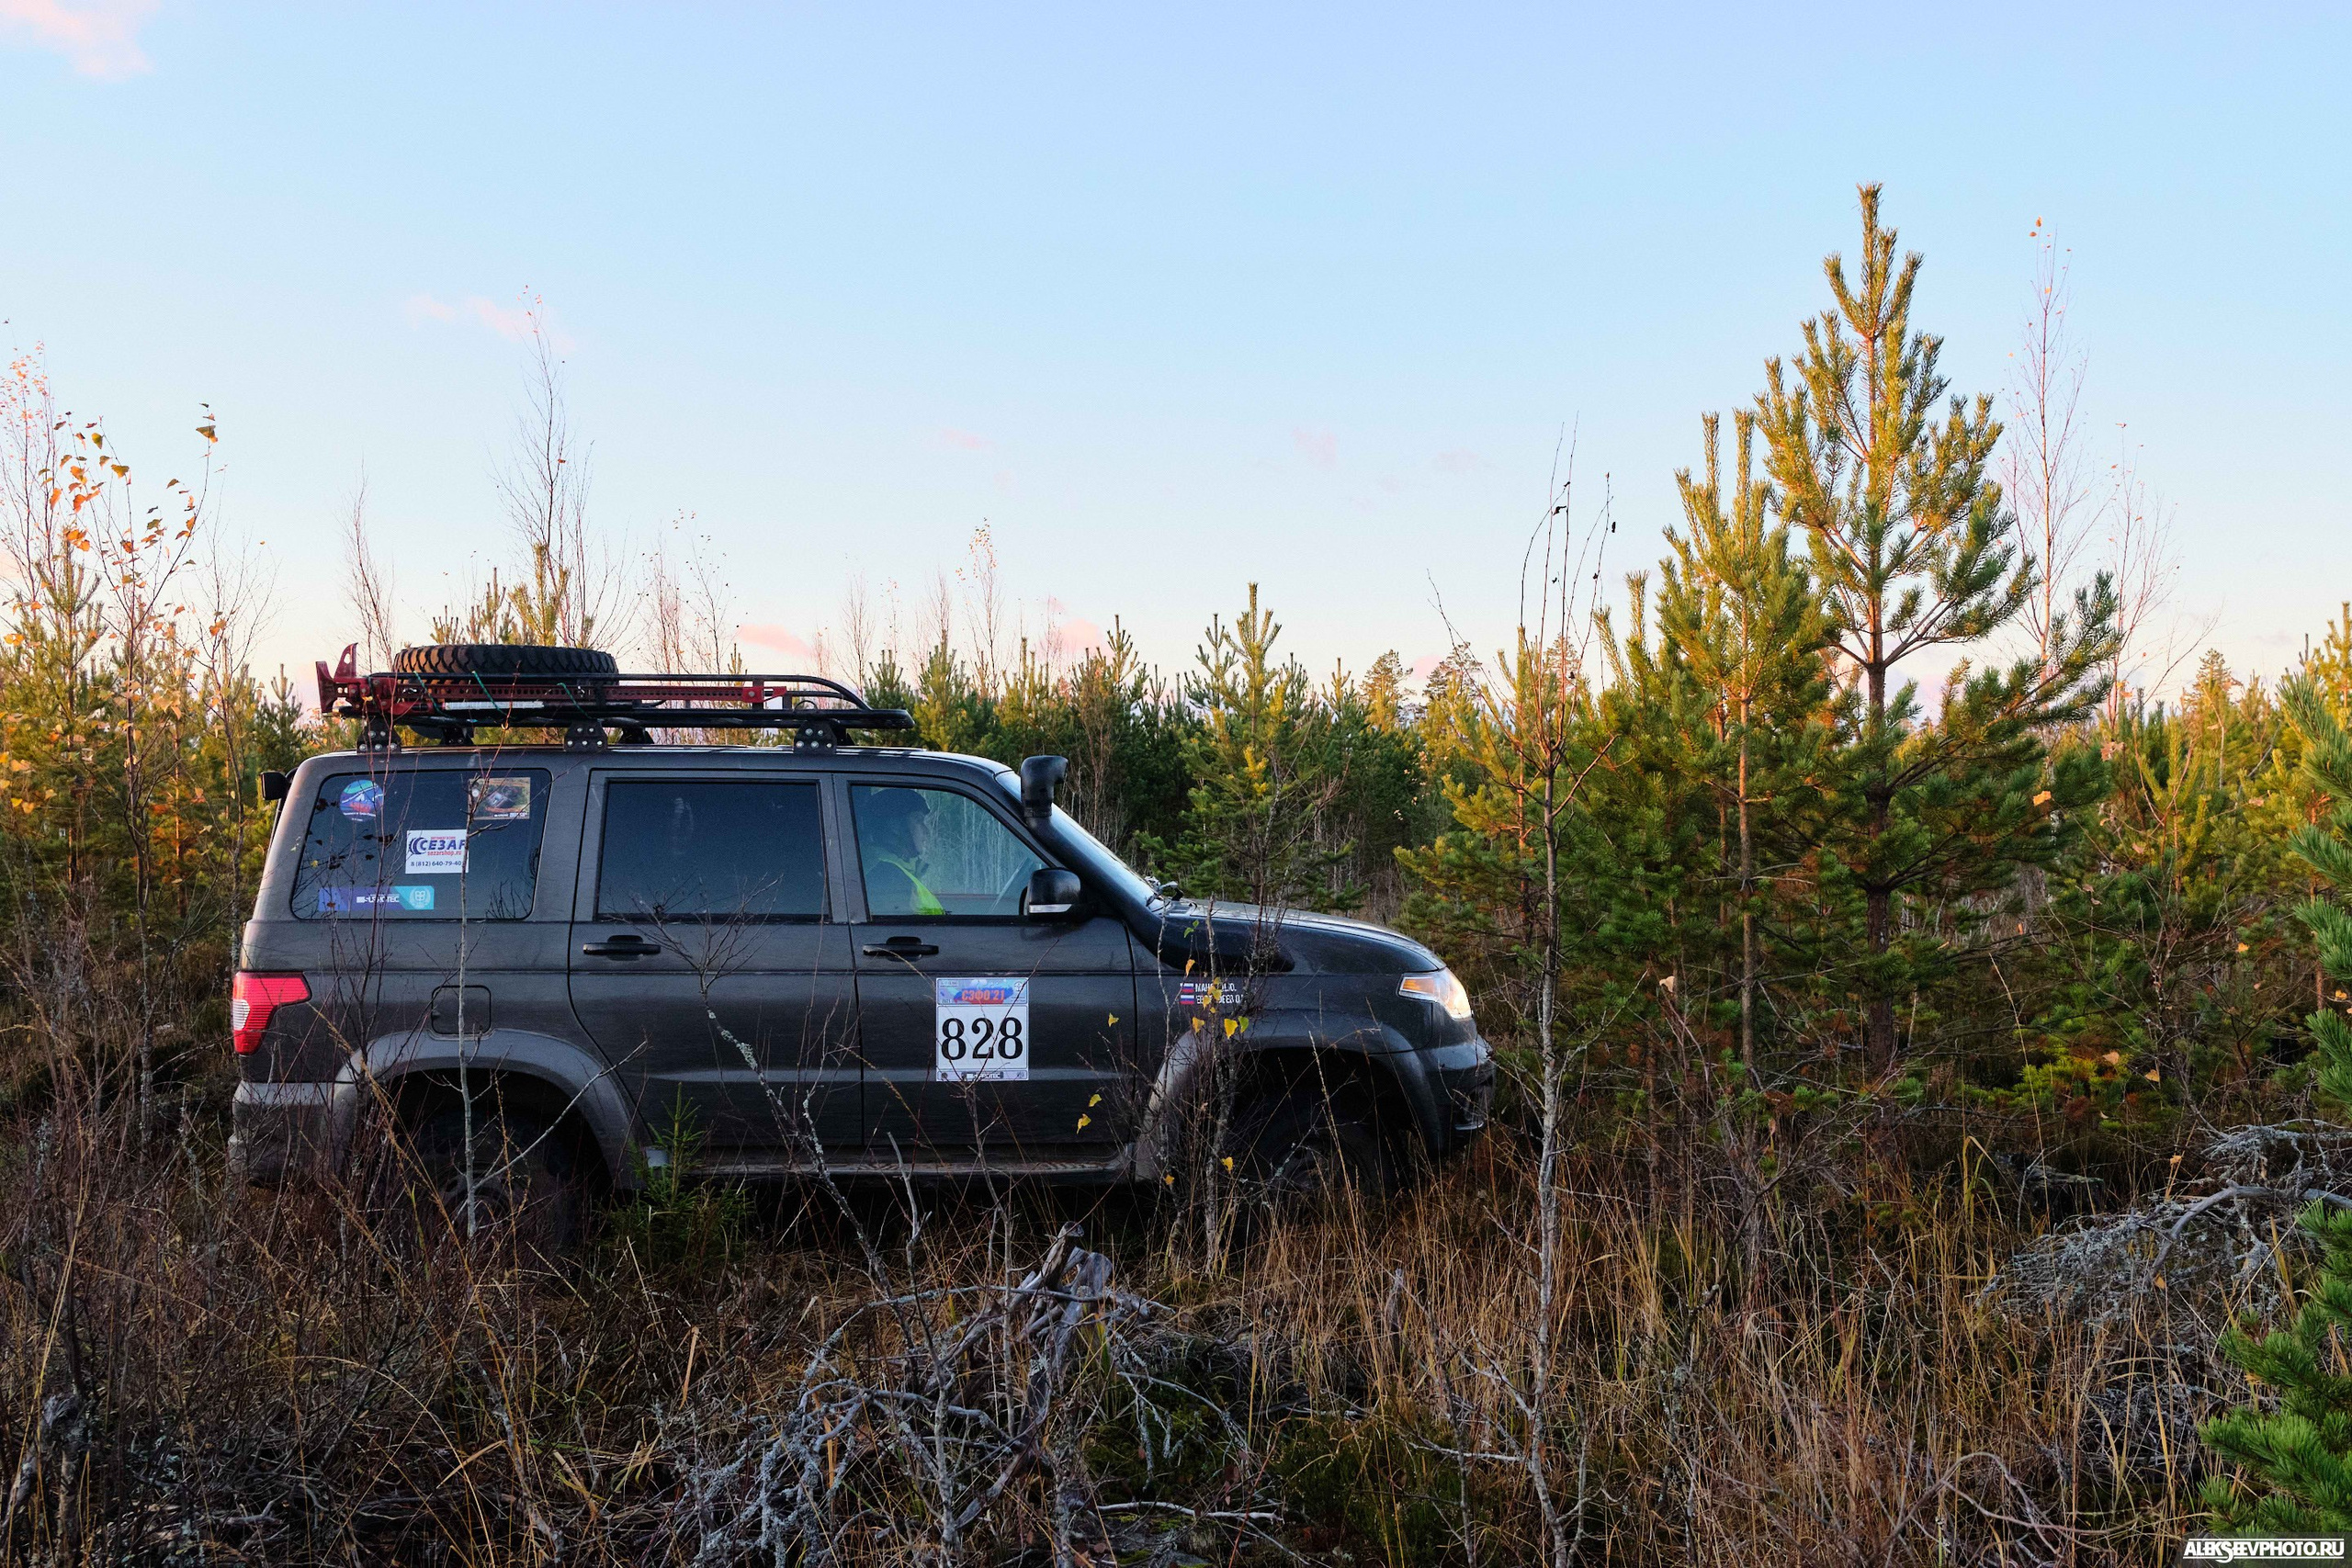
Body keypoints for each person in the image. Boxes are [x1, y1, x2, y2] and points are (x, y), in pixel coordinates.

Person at [861, 788, 945, 915]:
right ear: (895, 826)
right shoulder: (888, 878)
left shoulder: (898, 871)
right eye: (918, 821)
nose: (926, 831)